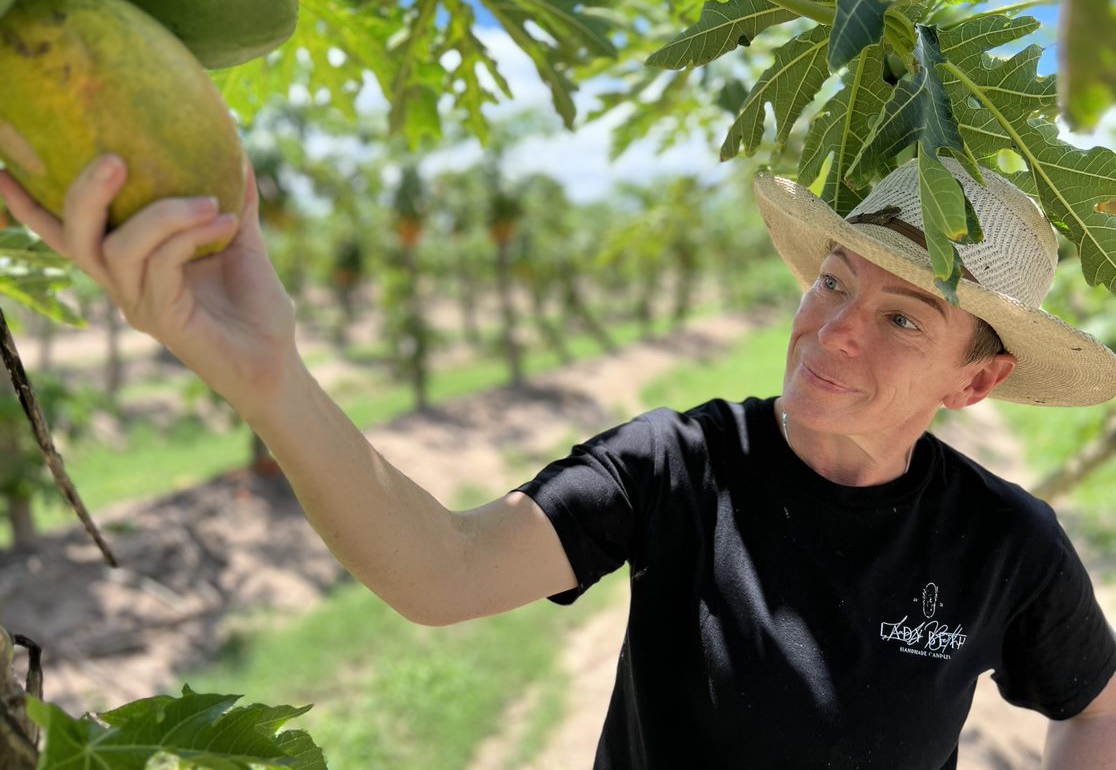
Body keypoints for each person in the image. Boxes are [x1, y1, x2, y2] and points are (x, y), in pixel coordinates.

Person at [0, 153, 1114, 769]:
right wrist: (266, 377)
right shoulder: (680, 463)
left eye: (903, 321)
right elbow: (439, 569)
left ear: (977, 383)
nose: (832, 331)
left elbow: (1097, 705)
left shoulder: (1005, 542)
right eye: (832, 282)